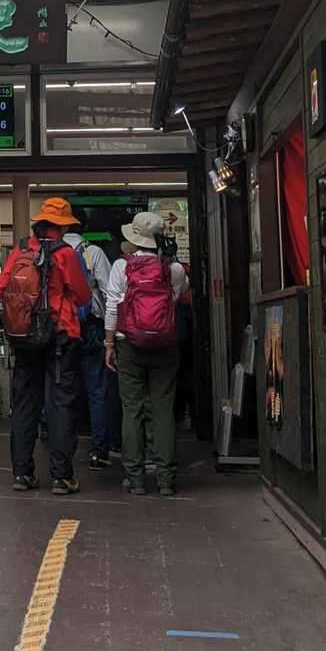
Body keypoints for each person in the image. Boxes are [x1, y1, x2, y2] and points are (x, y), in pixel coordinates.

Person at [0, 197, 91, 495]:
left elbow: (0, 287)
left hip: (24, 337)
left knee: (25, 404)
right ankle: (62, 476)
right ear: (62, 226)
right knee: (60, 403)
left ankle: (22, 474)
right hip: (59, 336)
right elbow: (83, 295)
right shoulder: (64, 253)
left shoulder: (22, 249)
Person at [105, 210, 189, 497]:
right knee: (163, 409)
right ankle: (166, 479)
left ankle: (135, 477)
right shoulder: (174, 269)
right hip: (165, 345)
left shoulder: (121, 266)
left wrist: (109, 344)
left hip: (129, 343)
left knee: (132, 409)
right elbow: (179, 295)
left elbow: (112, 307)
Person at [64, 218, 115, 471]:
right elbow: (108, 292)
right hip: (91, 326)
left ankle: (61, 450)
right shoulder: (93, 252)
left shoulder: (51, 253)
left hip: (61, 328)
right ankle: (99, 451)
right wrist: (110, 333)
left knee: (62, 390)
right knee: (97, 390)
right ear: (83, 230)